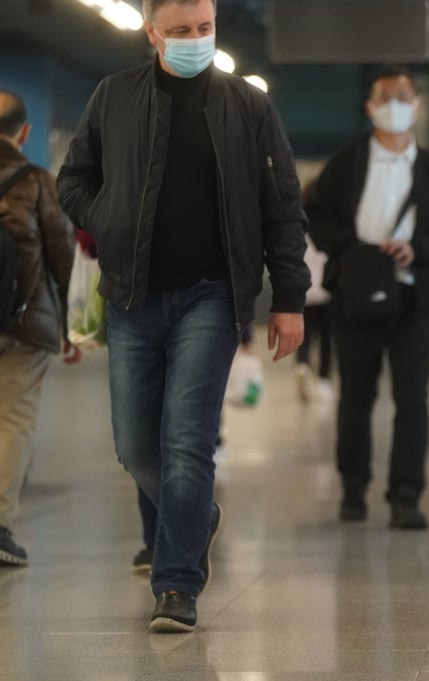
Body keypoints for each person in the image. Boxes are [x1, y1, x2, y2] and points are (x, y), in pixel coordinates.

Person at [57, 0, 309, 633]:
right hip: (132, 296)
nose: (195, 40)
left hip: (212, 295)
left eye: (205, 29)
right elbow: (73, 180)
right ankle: (195, 514)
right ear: (152, 33)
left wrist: (288, 299)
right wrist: (108, 217)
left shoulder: (248, 107)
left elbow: (282, 208)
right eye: (181, 31)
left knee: (186, 441)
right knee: (134, 445)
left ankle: (176, 583)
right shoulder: (113, 96)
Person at [305, 67, 429, 530]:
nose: (394, 104)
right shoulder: (348, 161)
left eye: (402, 97)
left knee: (412, 398)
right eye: (385, 97)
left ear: (416, 107)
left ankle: (406, 494)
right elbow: (315, 213)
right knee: (355, 396)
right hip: (355, 294)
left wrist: (420, 250)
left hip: (413, 299)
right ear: (370, 108)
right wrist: (353, 251)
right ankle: (353, 488)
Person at [0, 91, 81, 568]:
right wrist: (74, 329)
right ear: (25, 133)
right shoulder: (36, 182)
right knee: (13, 421)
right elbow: (62, 258)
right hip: (25, 324)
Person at [296, 233, 333, 400]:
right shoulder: (327, 233)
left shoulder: (299, 233)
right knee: (326, 340)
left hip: (305, 294)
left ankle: (302, 365)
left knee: (304, 337)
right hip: (326, 294)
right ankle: (323, 379)